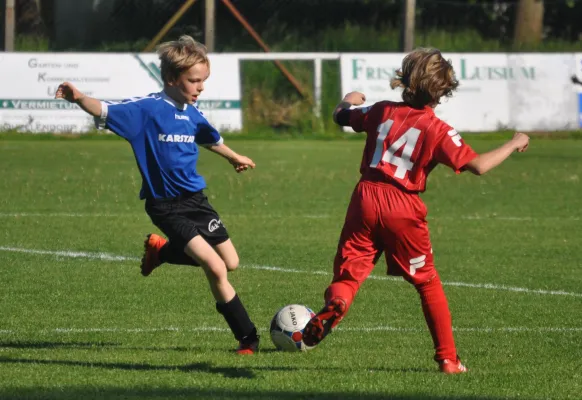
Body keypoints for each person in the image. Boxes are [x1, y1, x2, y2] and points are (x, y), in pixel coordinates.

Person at [302, 48, 530, 374]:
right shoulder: (438, 129)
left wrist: (350, 98)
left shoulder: (381, 111)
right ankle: (448, 359)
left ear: (405, 79)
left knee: (348, 277)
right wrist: (513, 142)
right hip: (403, 205)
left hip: (365, 197)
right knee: (426, 283)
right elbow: (478, 166)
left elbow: (342, 115)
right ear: (443, 91)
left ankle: (335, 305)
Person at [55, 35, 260, 355]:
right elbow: (106, 110)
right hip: (166, 206)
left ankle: (161, 253)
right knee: (215, 268)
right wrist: (79, 97)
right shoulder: (147, 110)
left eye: (204, 81)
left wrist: (233, 156)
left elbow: (210, 138)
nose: (200, 87)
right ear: (170, 79)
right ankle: (248, 338)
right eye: (194, 81)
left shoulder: (192, 112)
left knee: (230, 262)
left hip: (196, 200)